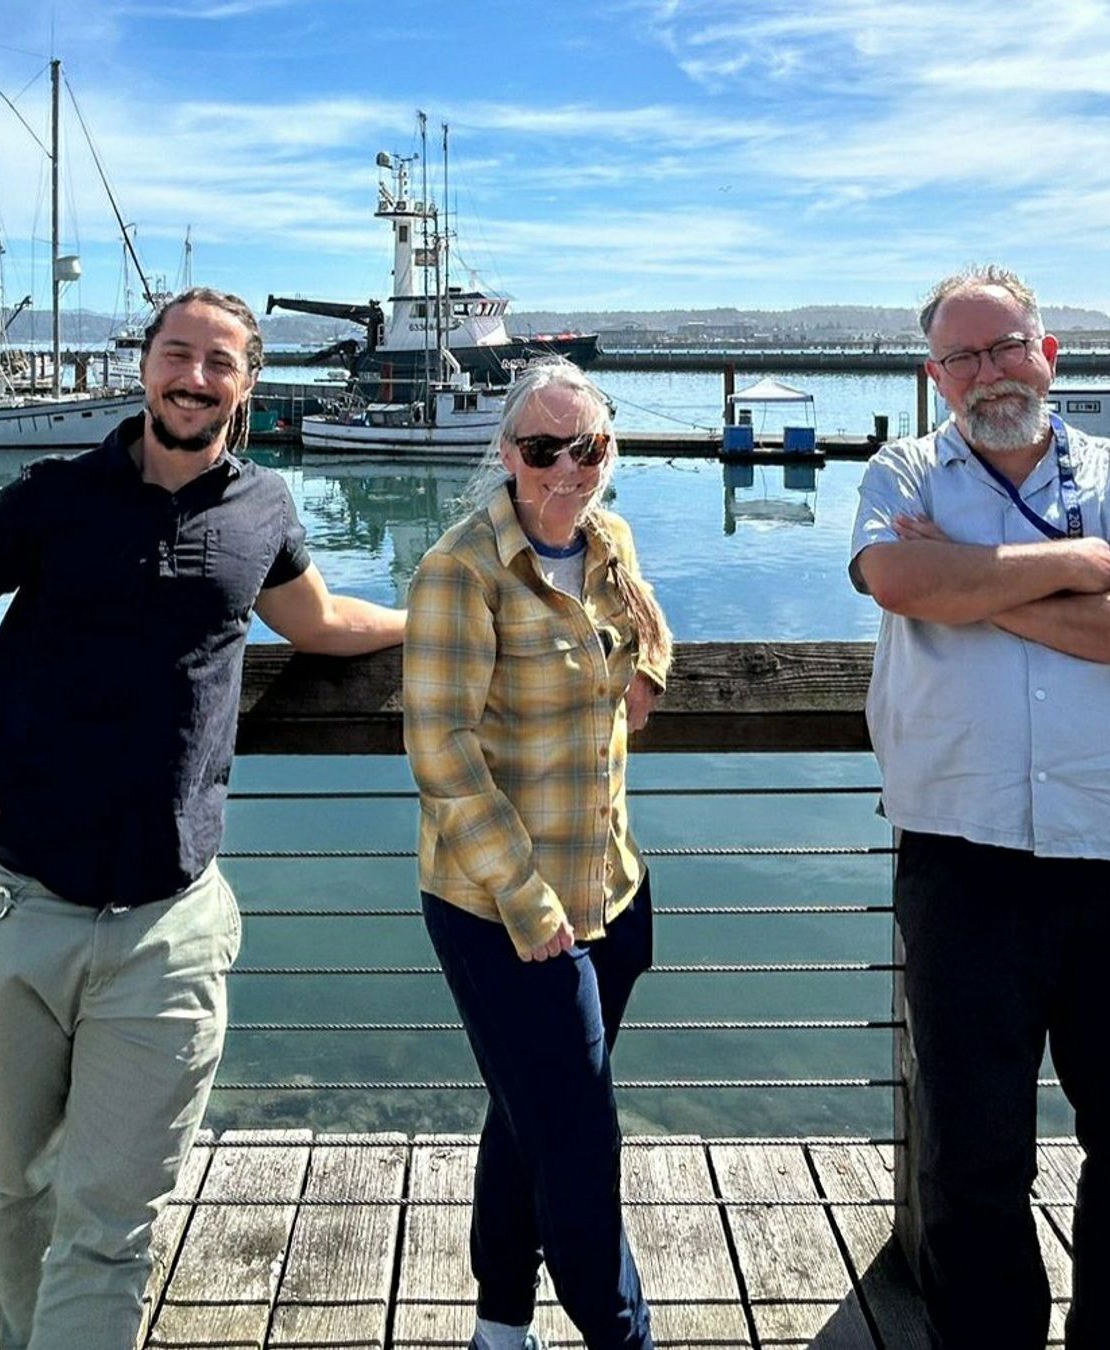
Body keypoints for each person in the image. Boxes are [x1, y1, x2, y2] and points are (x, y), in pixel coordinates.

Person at [0, 287, 405, 1350]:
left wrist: (436, 615)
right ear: (143, 367)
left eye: (217, 362)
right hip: (18, 898)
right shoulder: (52, 495)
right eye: (176, 355)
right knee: (10, 1184)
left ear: (247, 384)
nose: (193, 378)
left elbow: (315, 623)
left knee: (107, 1220)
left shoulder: (262, 508)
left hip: (167, 923)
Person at [848, 265, 1110, 1349]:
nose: (987, 372)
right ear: (934, 379)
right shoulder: (902, 472)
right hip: (967, 859)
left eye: (1005, 346)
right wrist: (1071, 569)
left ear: (1046, 353)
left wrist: (980, 594)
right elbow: (900, 585)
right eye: (962, 357)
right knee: (969, 1169)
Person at [403, 359, 671, 1350]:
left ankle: (499, 1324)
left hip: (612, 891)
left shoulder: (610, 538)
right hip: (503, 913)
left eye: (587, 445)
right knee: (578, 1143)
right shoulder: (459, 569)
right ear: (507, 456)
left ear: (609, 450)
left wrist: (648, 673)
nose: (566, 465)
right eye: (541, 448)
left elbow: (645, 629)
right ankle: (622, 1335)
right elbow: (439, 750)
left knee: (526, 1113)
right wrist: (523, 898)